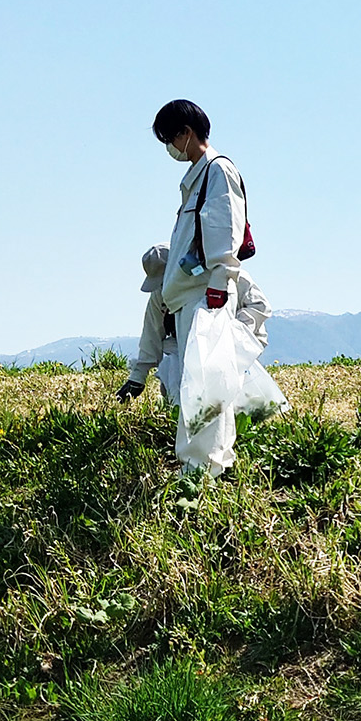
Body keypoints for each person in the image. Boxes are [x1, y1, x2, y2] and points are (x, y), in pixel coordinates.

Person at [150, 99, 254, 472]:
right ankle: (213, 463)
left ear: (186, 133)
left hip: (205, 293)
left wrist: (220, 281)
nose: (169, 147)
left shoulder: (217, 170)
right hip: (189, 293)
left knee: (203, 383)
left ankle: (199, 467)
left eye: (170, 138)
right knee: (204, 380)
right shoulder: (198, 177)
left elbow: (223, 228)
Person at [117, 243, 272, 406]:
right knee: (172, 370)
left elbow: (260, 306)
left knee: (230, 388)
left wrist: (233, 333)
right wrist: (137, 378)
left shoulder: (225, 274)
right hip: (186, 345)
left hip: (237, 342)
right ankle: (180, 410)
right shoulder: (159, 296)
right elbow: (152, 334)